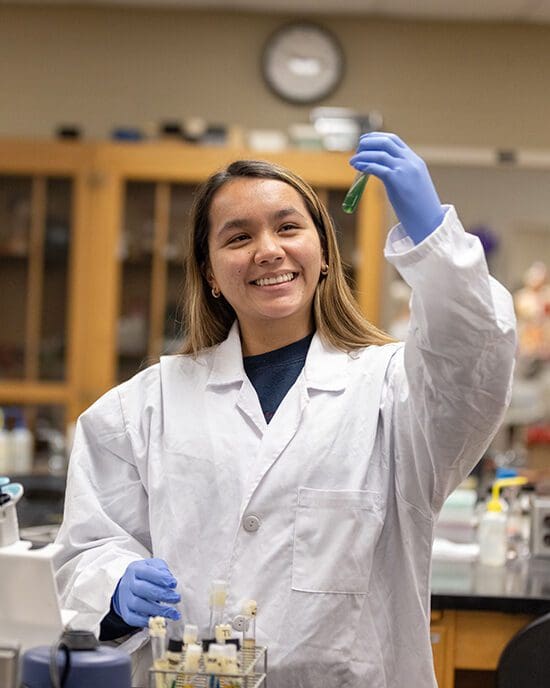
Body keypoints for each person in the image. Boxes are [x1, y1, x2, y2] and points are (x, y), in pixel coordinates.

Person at [54, 132, 517, 688]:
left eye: (288, 227)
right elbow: (89, 544)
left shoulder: (397, 393)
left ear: (324, 254)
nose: (268, 249)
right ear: (209, 273)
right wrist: (114, 585)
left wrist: (433, 239)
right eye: (238, 236)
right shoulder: (140, 408)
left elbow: (472, 361)